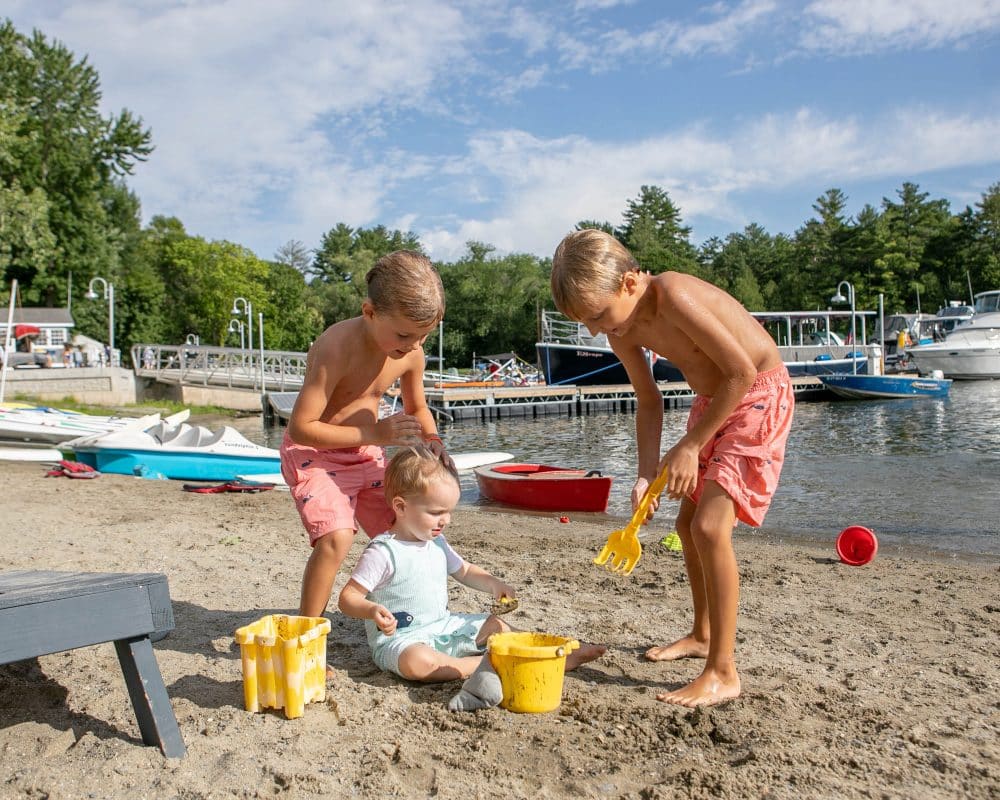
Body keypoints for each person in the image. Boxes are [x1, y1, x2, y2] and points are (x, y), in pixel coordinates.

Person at [550, 229, 794, 708]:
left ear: (629, 282)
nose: (596, 331)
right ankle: (703, 635)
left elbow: (742, 372)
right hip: (712, 403)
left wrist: (690, 445)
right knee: (686, 525)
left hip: (756, 397)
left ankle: (723, 672)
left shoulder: (675, 294)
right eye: (584, 323)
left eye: (597, 316)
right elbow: (649, 400)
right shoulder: (621, 330)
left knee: (709, 527)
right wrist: (646, 474)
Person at [338, 446, 605, 708]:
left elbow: (464, 570)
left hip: (443, 627)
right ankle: (486, 664)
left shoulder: (436, 542)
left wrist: (493, 583)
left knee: (496, 625)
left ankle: (546, 653)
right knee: (418, 663)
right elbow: (348, 598)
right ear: (400, 506)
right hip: (402, 640)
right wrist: (371, 610)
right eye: (436, 513)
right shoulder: (383, 552)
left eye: (449, 512)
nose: (446, 521)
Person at [282, 250, 450, 619]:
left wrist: (433, 442)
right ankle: (308, 629)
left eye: (424, 336)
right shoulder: (336, 347)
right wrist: (376, 432)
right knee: (337, 536)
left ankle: (407, 612)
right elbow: (301, 428)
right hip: (315, 456)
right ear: (370, 312)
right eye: (404, 334)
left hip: (366, 453)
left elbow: (417, 408)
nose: (414, 345)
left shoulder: (410, 353)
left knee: (404, 527)